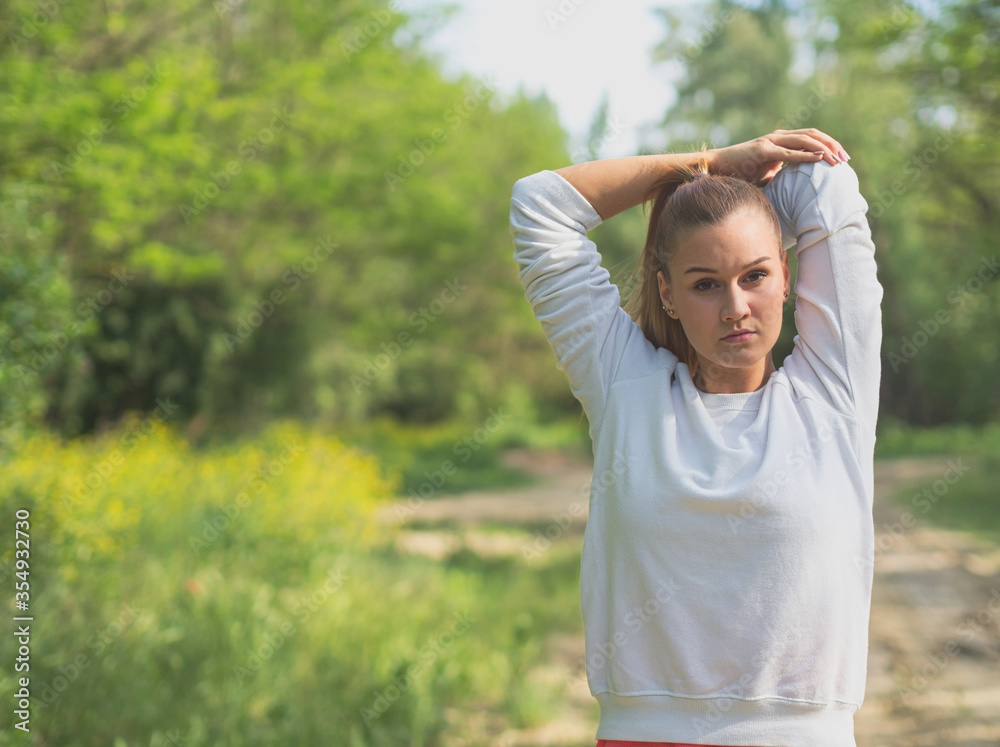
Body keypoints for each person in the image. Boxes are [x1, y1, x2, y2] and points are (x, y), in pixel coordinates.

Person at [508, 129, 882, 746]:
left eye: (754, 276)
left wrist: (738, 182)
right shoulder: (626, 387)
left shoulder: (834, 395)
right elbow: (538, 206)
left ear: (786, 275)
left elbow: (824, 179)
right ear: (668, 293)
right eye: (705, 283)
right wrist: (707, 164)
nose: (735, 306)